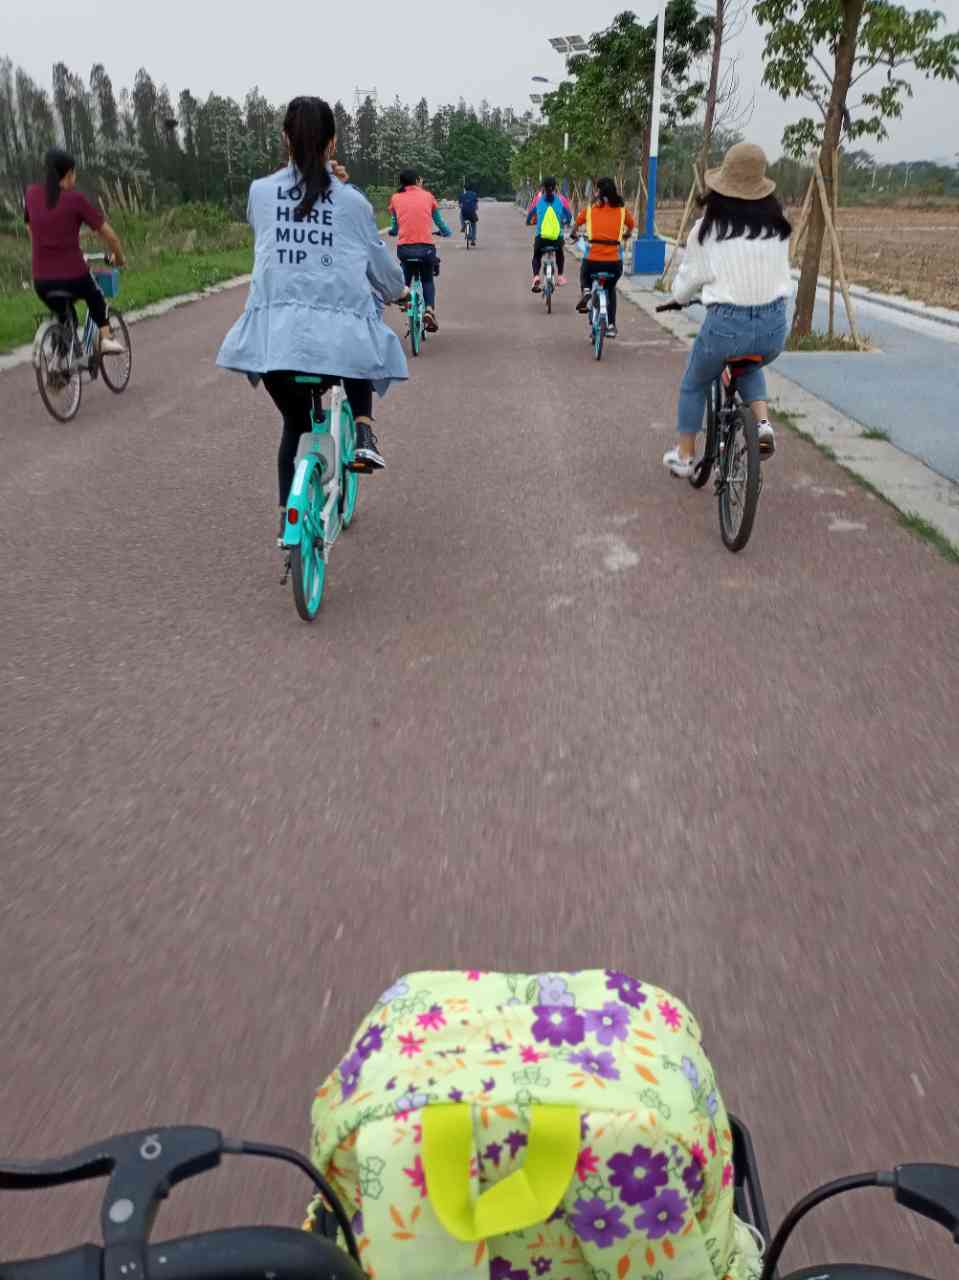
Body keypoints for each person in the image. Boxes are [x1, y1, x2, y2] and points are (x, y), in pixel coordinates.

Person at [216, 96, 409, 540]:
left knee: (295, 424)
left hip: (274, 343)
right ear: (333, 142)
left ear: (285, 138)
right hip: (336, 348)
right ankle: (363, 430)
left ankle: (289, 521)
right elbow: (380, 270)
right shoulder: (353, 202)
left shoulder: (259, 192)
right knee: (361, 327)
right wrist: (397, 291)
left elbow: (273, 226)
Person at [664, 142, 791, 478]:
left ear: (721, 187)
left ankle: (685, 456)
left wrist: (679, 297)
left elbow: (688, 281)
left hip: (727, 327)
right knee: (749, 364)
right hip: (774, 327)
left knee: (695, 382)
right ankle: (762, 425)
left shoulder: (706, 230)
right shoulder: (779, 227)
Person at [25, 147, 128, 356]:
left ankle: (61, 360)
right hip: (73, 276)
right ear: (69, 173)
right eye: (74, 173)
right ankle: (106, 338)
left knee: (65, 314)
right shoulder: (75, 200)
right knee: (95, 295)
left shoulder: (31, 194)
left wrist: (46, 243)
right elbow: (110, 236)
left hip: (41, 281)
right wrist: (119, 258)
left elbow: (30, 227)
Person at [388, 169, 452, 333]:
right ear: (417, 181)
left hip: (405, 250)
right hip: (426, 250)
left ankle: (404, 296)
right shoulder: (428, 196)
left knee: (406, 273)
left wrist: (393, 232)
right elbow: (439, 221)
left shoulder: (395, 198)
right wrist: (446, 232)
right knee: (427, 280)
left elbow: (395, 224)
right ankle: (429, 310)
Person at [574, 177, 636, 338]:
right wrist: (627, 234)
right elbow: (632, 224)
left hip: (593, 261)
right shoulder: (622, 211)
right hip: (614, 264)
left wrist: (574, 233)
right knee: (610, 288)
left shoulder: (590, 209)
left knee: (584, 273)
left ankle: (586, 291)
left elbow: (577, 223)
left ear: (599, 192)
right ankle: (611, 325)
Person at [526, 176, 572, 290]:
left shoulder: (538, 200)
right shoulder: (561, 201)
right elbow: (569, 216)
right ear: (555, 187)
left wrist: (529, 222)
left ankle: (536, 276)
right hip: (557, 239)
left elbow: (530, 215)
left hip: (541, 238)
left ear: (543, 187)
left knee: (537, 256)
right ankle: (560, 276)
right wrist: (565, 222)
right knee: (560, 253)